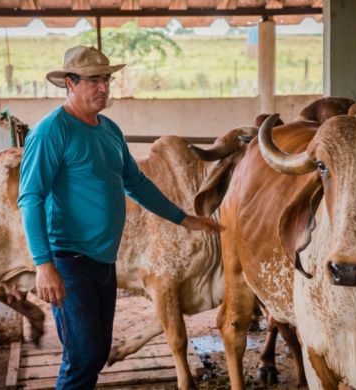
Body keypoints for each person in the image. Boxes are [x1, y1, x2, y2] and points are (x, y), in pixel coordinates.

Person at [17, 45, 220, 389]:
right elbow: (31, 197)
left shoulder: (109, 130)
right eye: (94, 80)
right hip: (68, 260)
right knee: (82, 357)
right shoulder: (52, 131)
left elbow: (136, 183)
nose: (103, 87)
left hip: (103, 261)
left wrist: (185, 219)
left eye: (106, 79)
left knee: (96, 354)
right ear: (70, 82)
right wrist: (43, 264)